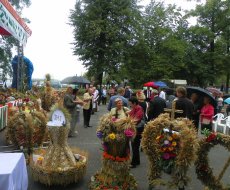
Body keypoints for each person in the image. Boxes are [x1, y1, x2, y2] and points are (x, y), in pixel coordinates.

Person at [128, 97, 144, 168]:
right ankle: (137, 161)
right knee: (135, 146)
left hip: (137, 129)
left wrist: (128, 123)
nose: (130, 105)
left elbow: (137, 119)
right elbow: (129, 114)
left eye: (130, 103)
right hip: (134, 129)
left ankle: (133, 163)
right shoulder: (135, 108)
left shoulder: (139, 108)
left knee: (135, 146)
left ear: (134, 103)